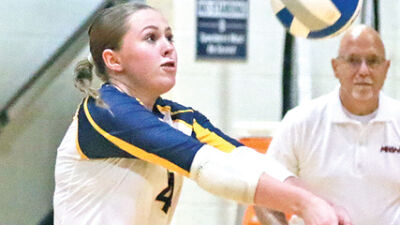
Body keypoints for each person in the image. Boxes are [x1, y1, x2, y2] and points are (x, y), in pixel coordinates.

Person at [53, 3, 342, 225]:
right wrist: (303, 204)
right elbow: (206, 166)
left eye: (169, 37)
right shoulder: (105, 109)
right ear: (113, 60)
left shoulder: (178, 117)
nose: (168, 47)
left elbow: (245, 160)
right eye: (151, 38)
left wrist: (319, 201)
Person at [255, 24, 400, 225]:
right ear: (335, 68)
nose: (364, 71)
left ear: (386, 69)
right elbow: (263, 196)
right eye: (353, 61)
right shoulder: (301, 122)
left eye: (373, 61)